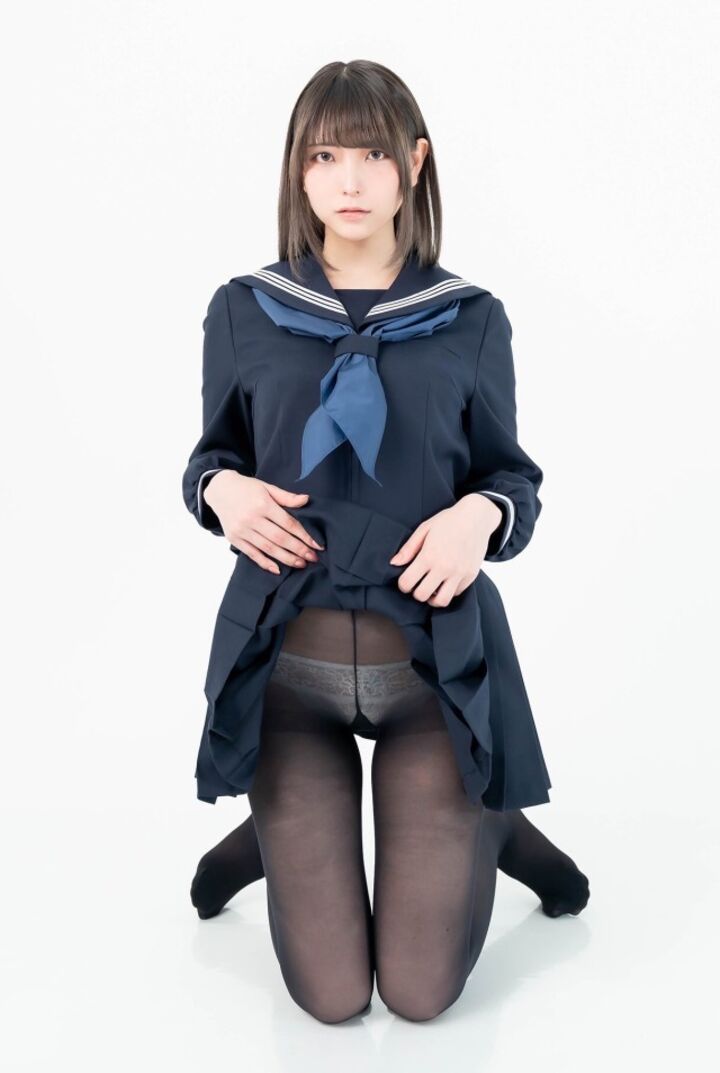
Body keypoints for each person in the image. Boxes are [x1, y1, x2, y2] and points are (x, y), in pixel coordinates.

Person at [181, 59, 590, 1024]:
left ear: (414, 162)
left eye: (371, 154)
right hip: (291, 673)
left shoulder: (471, 319)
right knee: (331, 1000)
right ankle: (276, 830)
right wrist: (220, 489)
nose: (350, 181)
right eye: (324, 157)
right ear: (298, 169)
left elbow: (512, 479)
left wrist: (479, 516)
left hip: (431, 675)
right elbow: (212, 458)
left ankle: (495, 824)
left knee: (416, 995)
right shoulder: (242, 308)